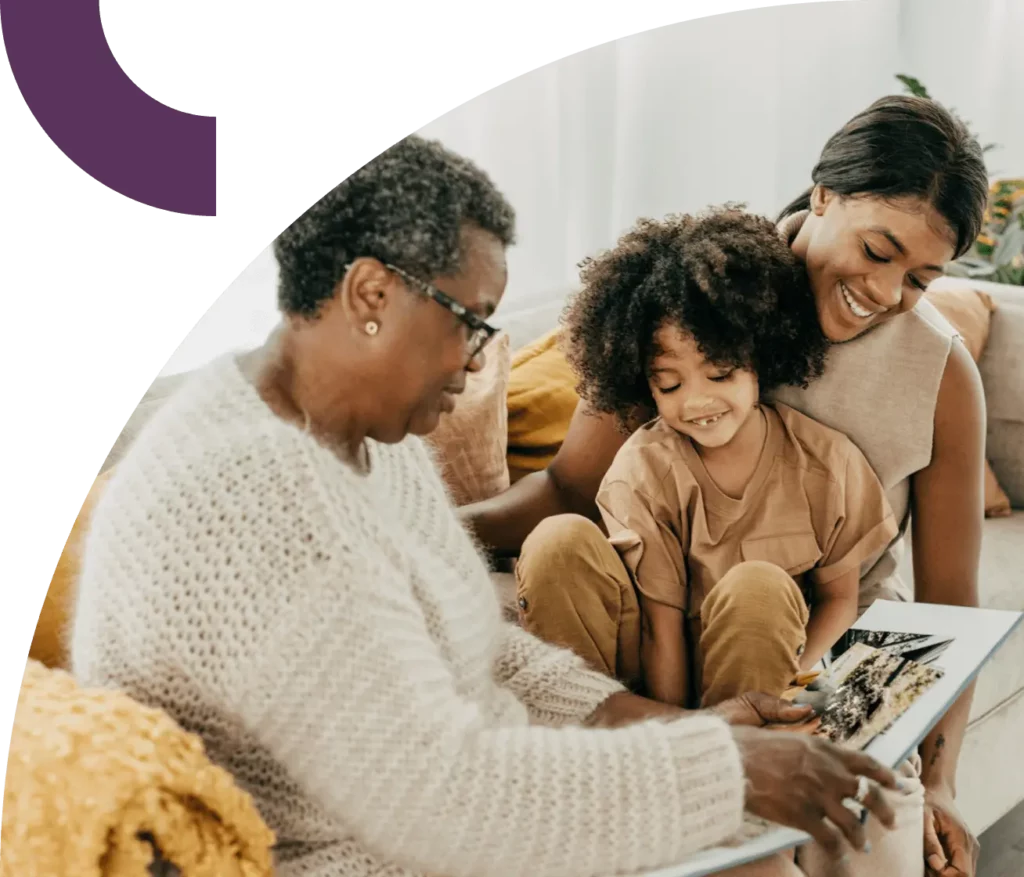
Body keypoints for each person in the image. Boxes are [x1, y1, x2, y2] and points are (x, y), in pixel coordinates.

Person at [69, 135, 901, 877]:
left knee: (861, 831)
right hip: (377, 853)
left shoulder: (363, 437)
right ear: (369, 296)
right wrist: (726, 768)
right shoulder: (255, 500)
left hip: (465, 806)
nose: (478, 364)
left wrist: (691, 734)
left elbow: (482, 649)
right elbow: (442, 797)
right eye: (471, 323)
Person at [462, 95, 990, 877]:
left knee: (872, 830)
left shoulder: (941, 373)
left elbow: (949, 606)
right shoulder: (696, 294)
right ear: (823, 196)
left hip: (826, 664)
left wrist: (942, 778)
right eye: (878, 251)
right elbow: (570, 493)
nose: (885, 291)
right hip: (654, 628)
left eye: (919, 277)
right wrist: (425, 527)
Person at [539, 206, 899, 712]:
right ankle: (596, 743)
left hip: (763, 679)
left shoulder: (826, 462)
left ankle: (746, 761)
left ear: (759, 356)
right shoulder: (643, 470)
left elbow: (840, 598)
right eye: (669, 384)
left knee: (758, 584)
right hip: (651, 689)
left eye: (721, 374)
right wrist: (682, 738)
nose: (697, 402)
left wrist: (799, 689)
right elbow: (660, 630)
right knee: (555, 540)